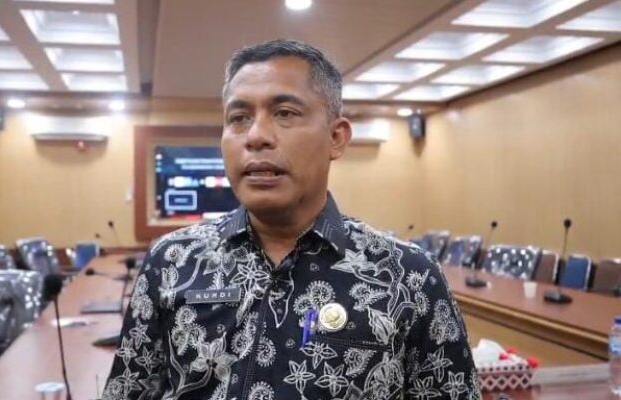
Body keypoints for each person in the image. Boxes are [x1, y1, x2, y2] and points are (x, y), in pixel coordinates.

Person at [103, 39, 479, 400]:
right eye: (239, 118)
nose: (256, 136)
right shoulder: (172, 261)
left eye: (284, 113)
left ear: (336, 138)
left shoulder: (410, 276)